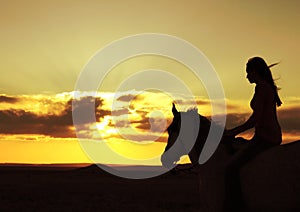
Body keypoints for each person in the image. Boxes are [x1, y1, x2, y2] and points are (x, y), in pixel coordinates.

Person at [224, 56, 282, 210]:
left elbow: (254, 120)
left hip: (265, 138)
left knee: (229, 169)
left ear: (255, 71)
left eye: (248, 72)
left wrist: (232, 132)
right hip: (265, 135)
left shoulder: (262, 88)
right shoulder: (265, 87)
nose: (247, 76)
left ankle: (237, 206)